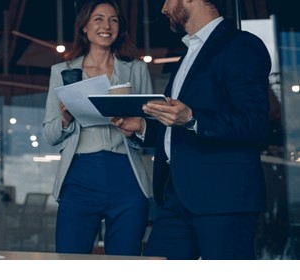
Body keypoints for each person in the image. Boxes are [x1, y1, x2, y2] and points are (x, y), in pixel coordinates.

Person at [112, 0, 270, 259]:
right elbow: (179, 124)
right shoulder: (188, 53)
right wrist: (142, 127)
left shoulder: (241, 45)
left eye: (167, 0)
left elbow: (255, 123)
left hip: (224, 199)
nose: (163, 9)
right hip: (176, 198)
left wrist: (193, 118)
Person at [42, 0, 153, 256]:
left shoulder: (136, 69)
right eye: (99, 19)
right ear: (84, 27)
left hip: (127, 175)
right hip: (79, 177)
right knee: (71, 261)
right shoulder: (62, 71)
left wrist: (136, 128)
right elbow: (49, 135)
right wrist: (66, 119)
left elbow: (151, 128)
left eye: (113, 19)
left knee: (125, 264)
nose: (107, 25)